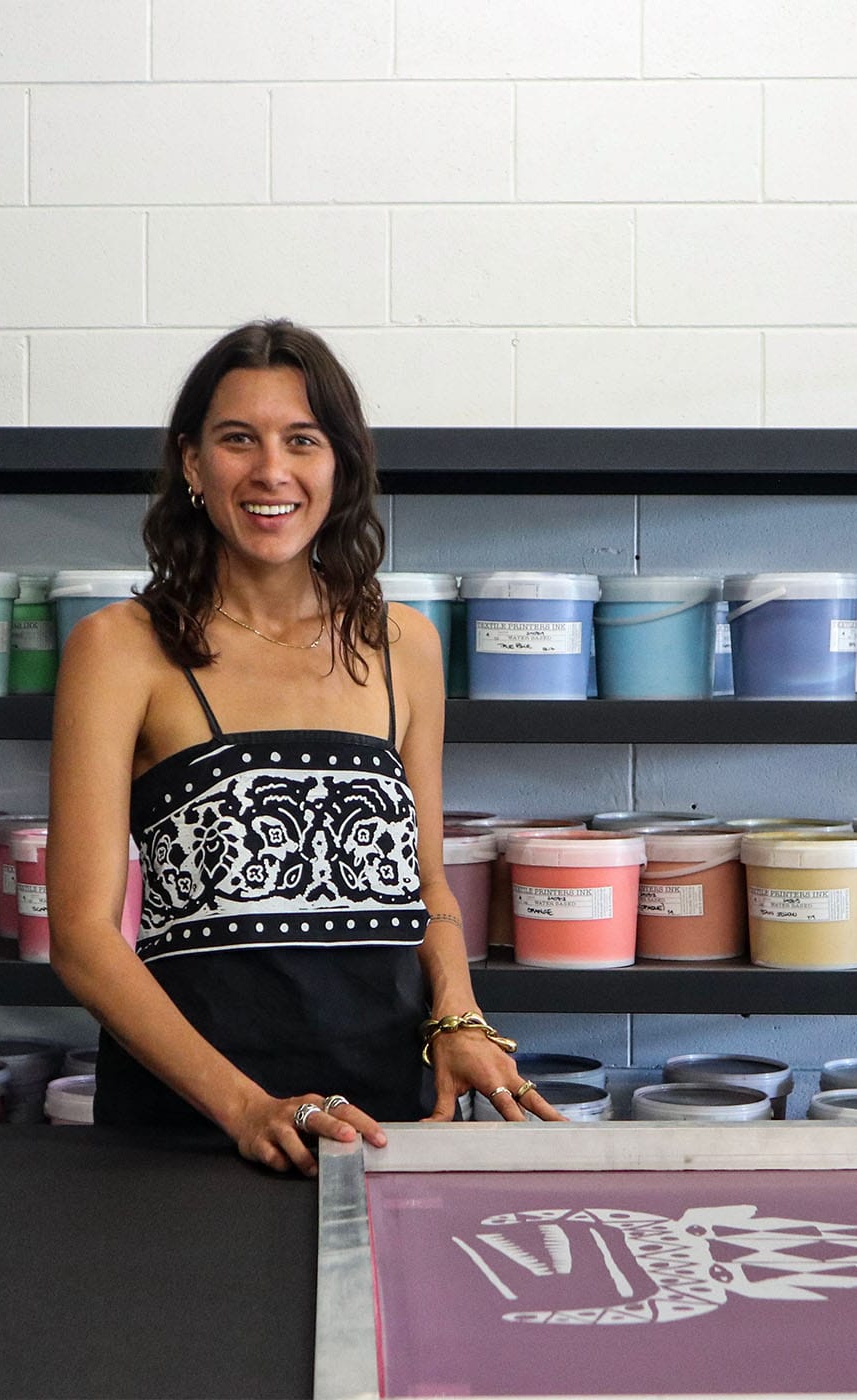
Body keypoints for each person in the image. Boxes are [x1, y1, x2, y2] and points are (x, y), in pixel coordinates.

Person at [46, 320, 561, 1173]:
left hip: (385, 1110)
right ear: (191, 464)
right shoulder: (121, 647)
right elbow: (82, 937)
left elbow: (424, 881)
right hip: (195, 1120)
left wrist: (457, 1019)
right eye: (237, 439)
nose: (271, 470)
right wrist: (246, 1108)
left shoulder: (406, 645)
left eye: (303, 440)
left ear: (341, 465)